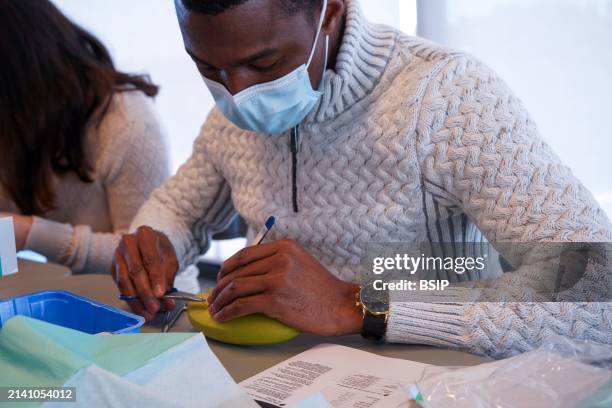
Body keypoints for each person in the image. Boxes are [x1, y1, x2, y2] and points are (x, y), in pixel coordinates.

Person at [112, 0, 612, 357]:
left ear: (329, 10)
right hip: (275, 377)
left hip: (430, 379)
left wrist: (360, 302)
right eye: (208, 68)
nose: (236, 93)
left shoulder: (444, 96)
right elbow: (179, 209)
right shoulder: (232, 114)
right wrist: (156, 239)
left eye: (264, 63)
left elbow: (595, 287)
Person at [0, 0, 170, 275]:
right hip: (65, 297)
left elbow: (148, 262)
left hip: (152, 310)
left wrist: (29, 233)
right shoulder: (15, 123)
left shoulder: (125, 122)